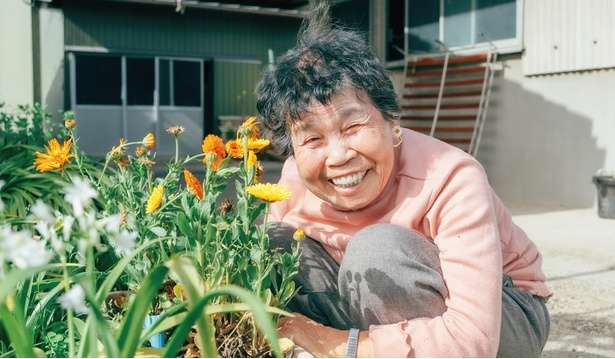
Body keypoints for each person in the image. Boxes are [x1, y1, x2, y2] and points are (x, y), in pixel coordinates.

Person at [257, 1, 551, 357]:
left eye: (352, 126)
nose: (338, 157)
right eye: (312, 139)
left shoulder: (452, 176)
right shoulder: (292, 181)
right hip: (368, 300)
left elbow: (473, 338)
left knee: (377, 254)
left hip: (500, 312)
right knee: (273, 243)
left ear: (392, 122)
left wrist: (331, 341)